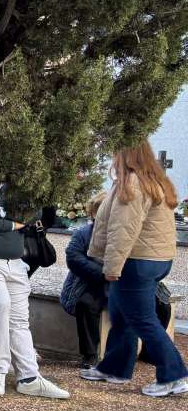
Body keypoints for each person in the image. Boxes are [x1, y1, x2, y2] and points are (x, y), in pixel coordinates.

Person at [81, 142, 188, 397]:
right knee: (121, 314)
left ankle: (175, 375)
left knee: (142, 319)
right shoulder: (153, 181)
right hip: (154, 260)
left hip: (135, 262)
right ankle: (115, 368)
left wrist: (112, 267)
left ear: (126, 155)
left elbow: (123, 231)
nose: (112, 158)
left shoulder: (132, 184)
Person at [0, 187, 70, 399]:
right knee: (0, 308)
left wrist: (1, 219)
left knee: (19, 320)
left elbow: (36, 215)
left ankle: (29, 377)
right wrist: (14, 223)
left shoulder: (17, 187)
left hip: (16, 262)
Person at [59, 193, 110, 371]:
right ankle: (90, 355)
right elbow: (73, 258)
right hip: (93, 281)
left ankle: (148, 351)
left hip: (123, 282)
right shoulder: (83, 233)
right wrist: (103, 273)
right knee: (86, 304)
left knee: (161, 304)